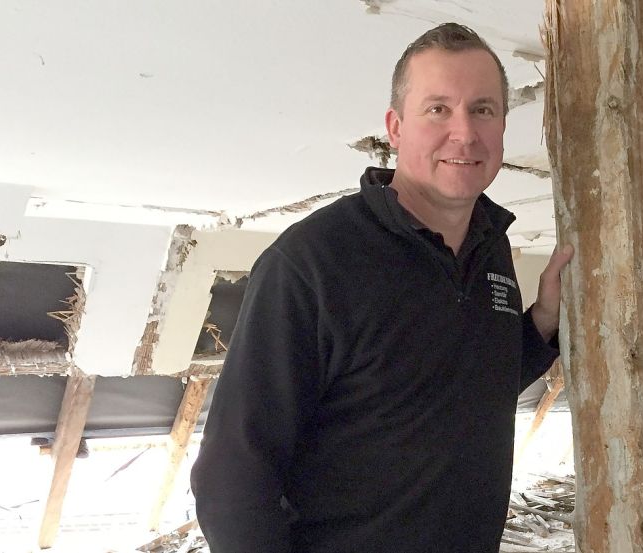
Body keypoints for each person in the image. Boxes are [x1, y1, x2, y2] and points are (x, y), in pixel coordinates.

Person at [190, 23, 573, 553]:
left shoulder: (491, 247)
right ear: (395, 127)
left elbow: (465, 384)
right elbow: (232, 474)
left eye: (482, 109)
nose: (463, 133)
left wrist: (542, 324)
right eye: (438, 108)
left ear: (503, 125)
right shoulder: (312, 262)